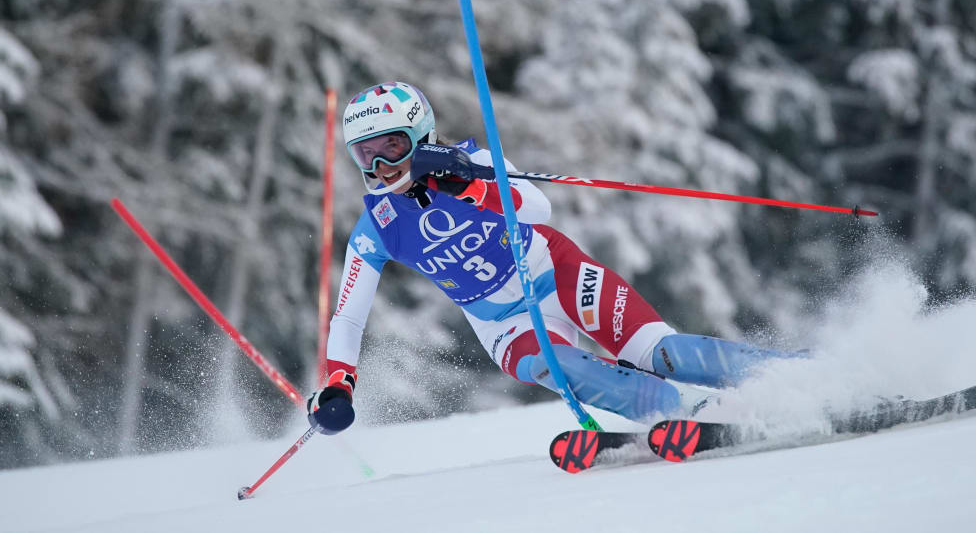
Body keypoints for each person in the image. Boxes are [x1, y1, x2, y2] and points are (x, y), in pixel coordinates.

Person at [307, 81, 799, 434]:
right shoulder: (376, 228)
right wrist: (338, 384)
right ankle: (691, 413)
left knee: (660, 354)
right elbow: (348, 317)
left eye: (391, 147)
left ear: (421, 135)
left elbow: (537, 208)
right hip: (501, 322)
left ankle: (798, 378)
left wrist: (471, 186)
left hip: (556, 272)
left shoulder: (472, 164)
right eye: (365, 154)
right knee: (560, 367)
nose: (380, 165)